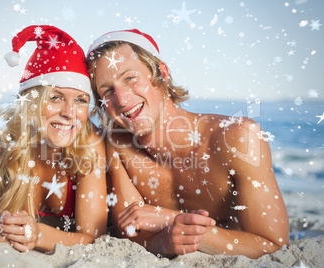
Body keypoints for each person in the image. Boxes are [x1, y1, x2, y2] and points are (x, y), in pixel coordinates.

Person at [86, 29, 289, 259]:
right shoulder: (118, 145)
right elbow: (130, 232)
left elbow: (274, 246)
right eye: (108, 90)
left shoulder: (239, 138)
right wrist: (164, 241)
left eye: (130, 78)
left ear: (160, 73)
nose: (122, 99)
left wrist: (173, 222)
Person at [0, 25, 107, 253]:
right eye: (55, 97)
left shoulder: (89, 142)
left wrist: (39, 234)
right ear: (32, 100)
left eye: (80, 100)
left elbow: (93, 239)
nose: (70, 113)